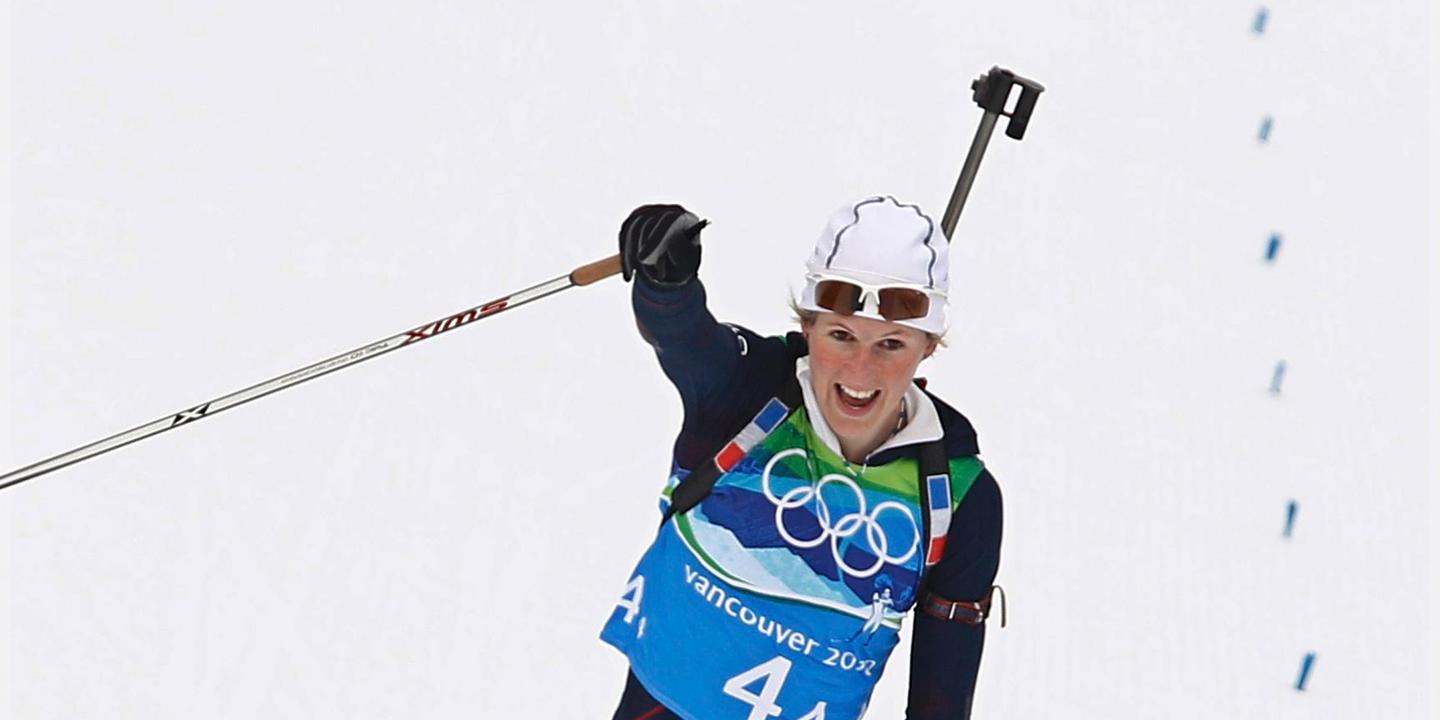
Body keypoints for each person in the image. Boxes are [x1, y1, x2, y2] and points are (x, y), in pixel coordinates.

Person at [601, 196, 1004, 720]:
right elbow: (684, 337)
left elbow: (942, 697)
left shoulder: (962, 493)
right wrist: (665, 282)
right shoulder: (744, 391)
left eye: (891, 344)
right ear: (807, 325)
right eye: (841, 335)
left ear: (928, 346)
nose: (860, 372)